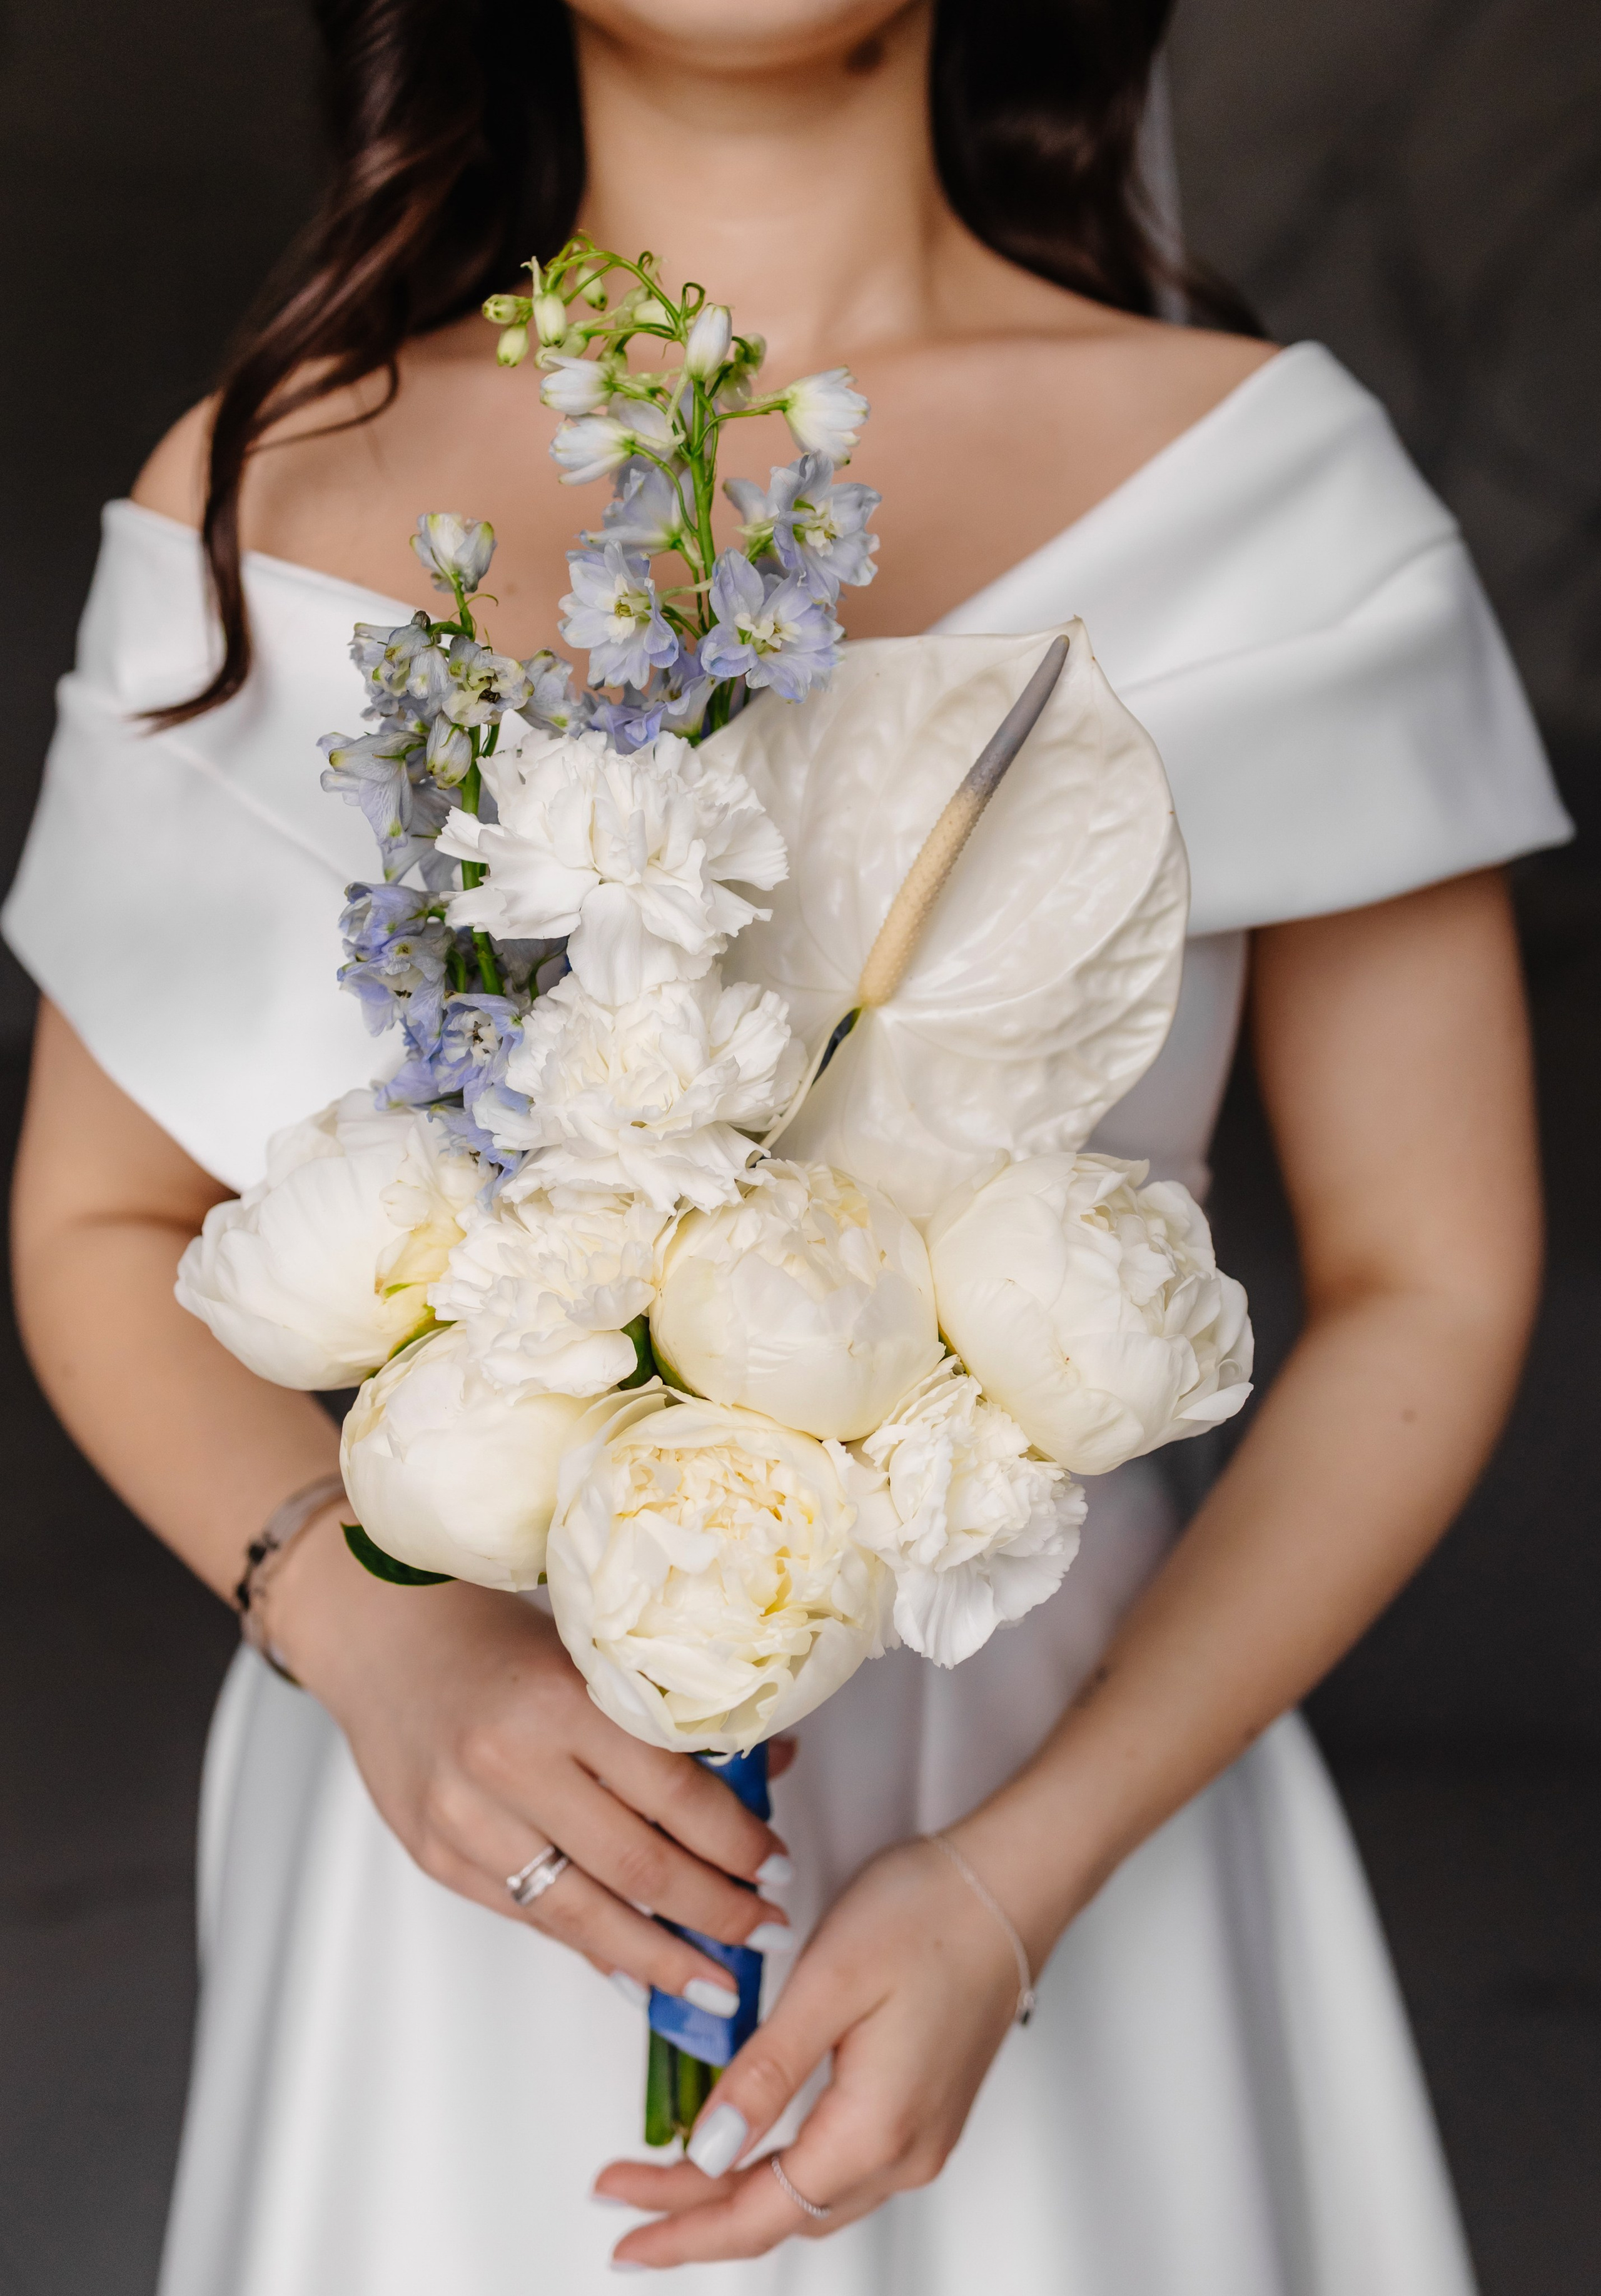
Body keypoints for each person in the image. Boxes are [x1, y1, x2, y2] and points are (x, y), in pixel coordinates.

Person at [4, 1, 1571, 2287]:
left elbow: (1439, 1270)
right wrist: (369, 1639)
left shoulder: (1264, 489)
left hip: (1060, 1790)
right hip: (476, 1829)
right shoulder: (280, 481)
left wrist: (1020, 1878)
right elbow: (94, 1216)